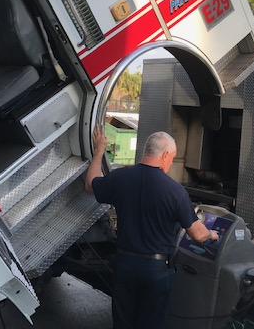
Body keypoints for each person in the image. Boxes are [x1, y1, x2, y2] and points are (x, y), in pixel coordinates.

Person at [85, 124, 219, 329]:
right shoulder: (175, 191)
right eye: (172, 158)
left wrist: (100, 150)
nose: (171, 162)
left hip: (124, 265)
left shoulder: (121, 178)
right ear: (165, 155)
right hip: (155, 271)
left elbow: (91, 183)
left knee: (123, 322)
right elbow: (197, 234)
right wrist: (212, 234)